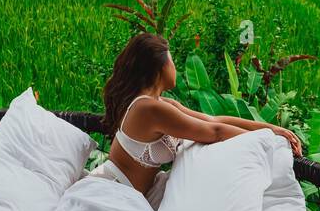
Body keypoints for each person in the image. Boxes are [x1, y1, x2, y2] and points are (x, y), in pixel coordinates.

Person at [96, 32, 302, 196]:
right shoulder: (148, 109)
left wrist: (271, 128)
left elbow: (213, 120)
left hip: (133, 194)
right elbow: (215, 131)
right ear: (158, 68)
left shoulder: (161, 103)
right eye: (172, 61)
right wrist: (270, 143)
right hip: (114, 195)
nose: (175, 67)